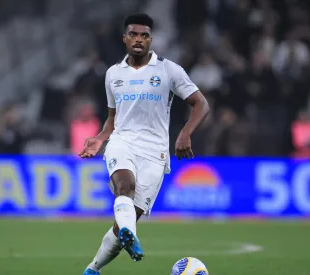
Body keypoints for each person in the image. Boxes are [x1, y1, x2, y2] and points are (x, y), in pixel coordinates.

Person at [79, 13, 210, 275]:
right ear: (124, 38)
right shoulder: (113, 74)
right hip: (122, 142)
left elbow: (201, 104)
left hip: (155, 152)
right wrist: (100, 138)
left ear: (151, 39)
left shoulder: (168, 70)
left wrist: (184, 133)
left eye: (145, 35)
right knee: (124, 186)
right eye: (134, 34)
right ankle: (130, 232)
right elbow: (112, 120)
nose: (139, 39)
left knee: (125, 219)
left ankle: (93, 269)